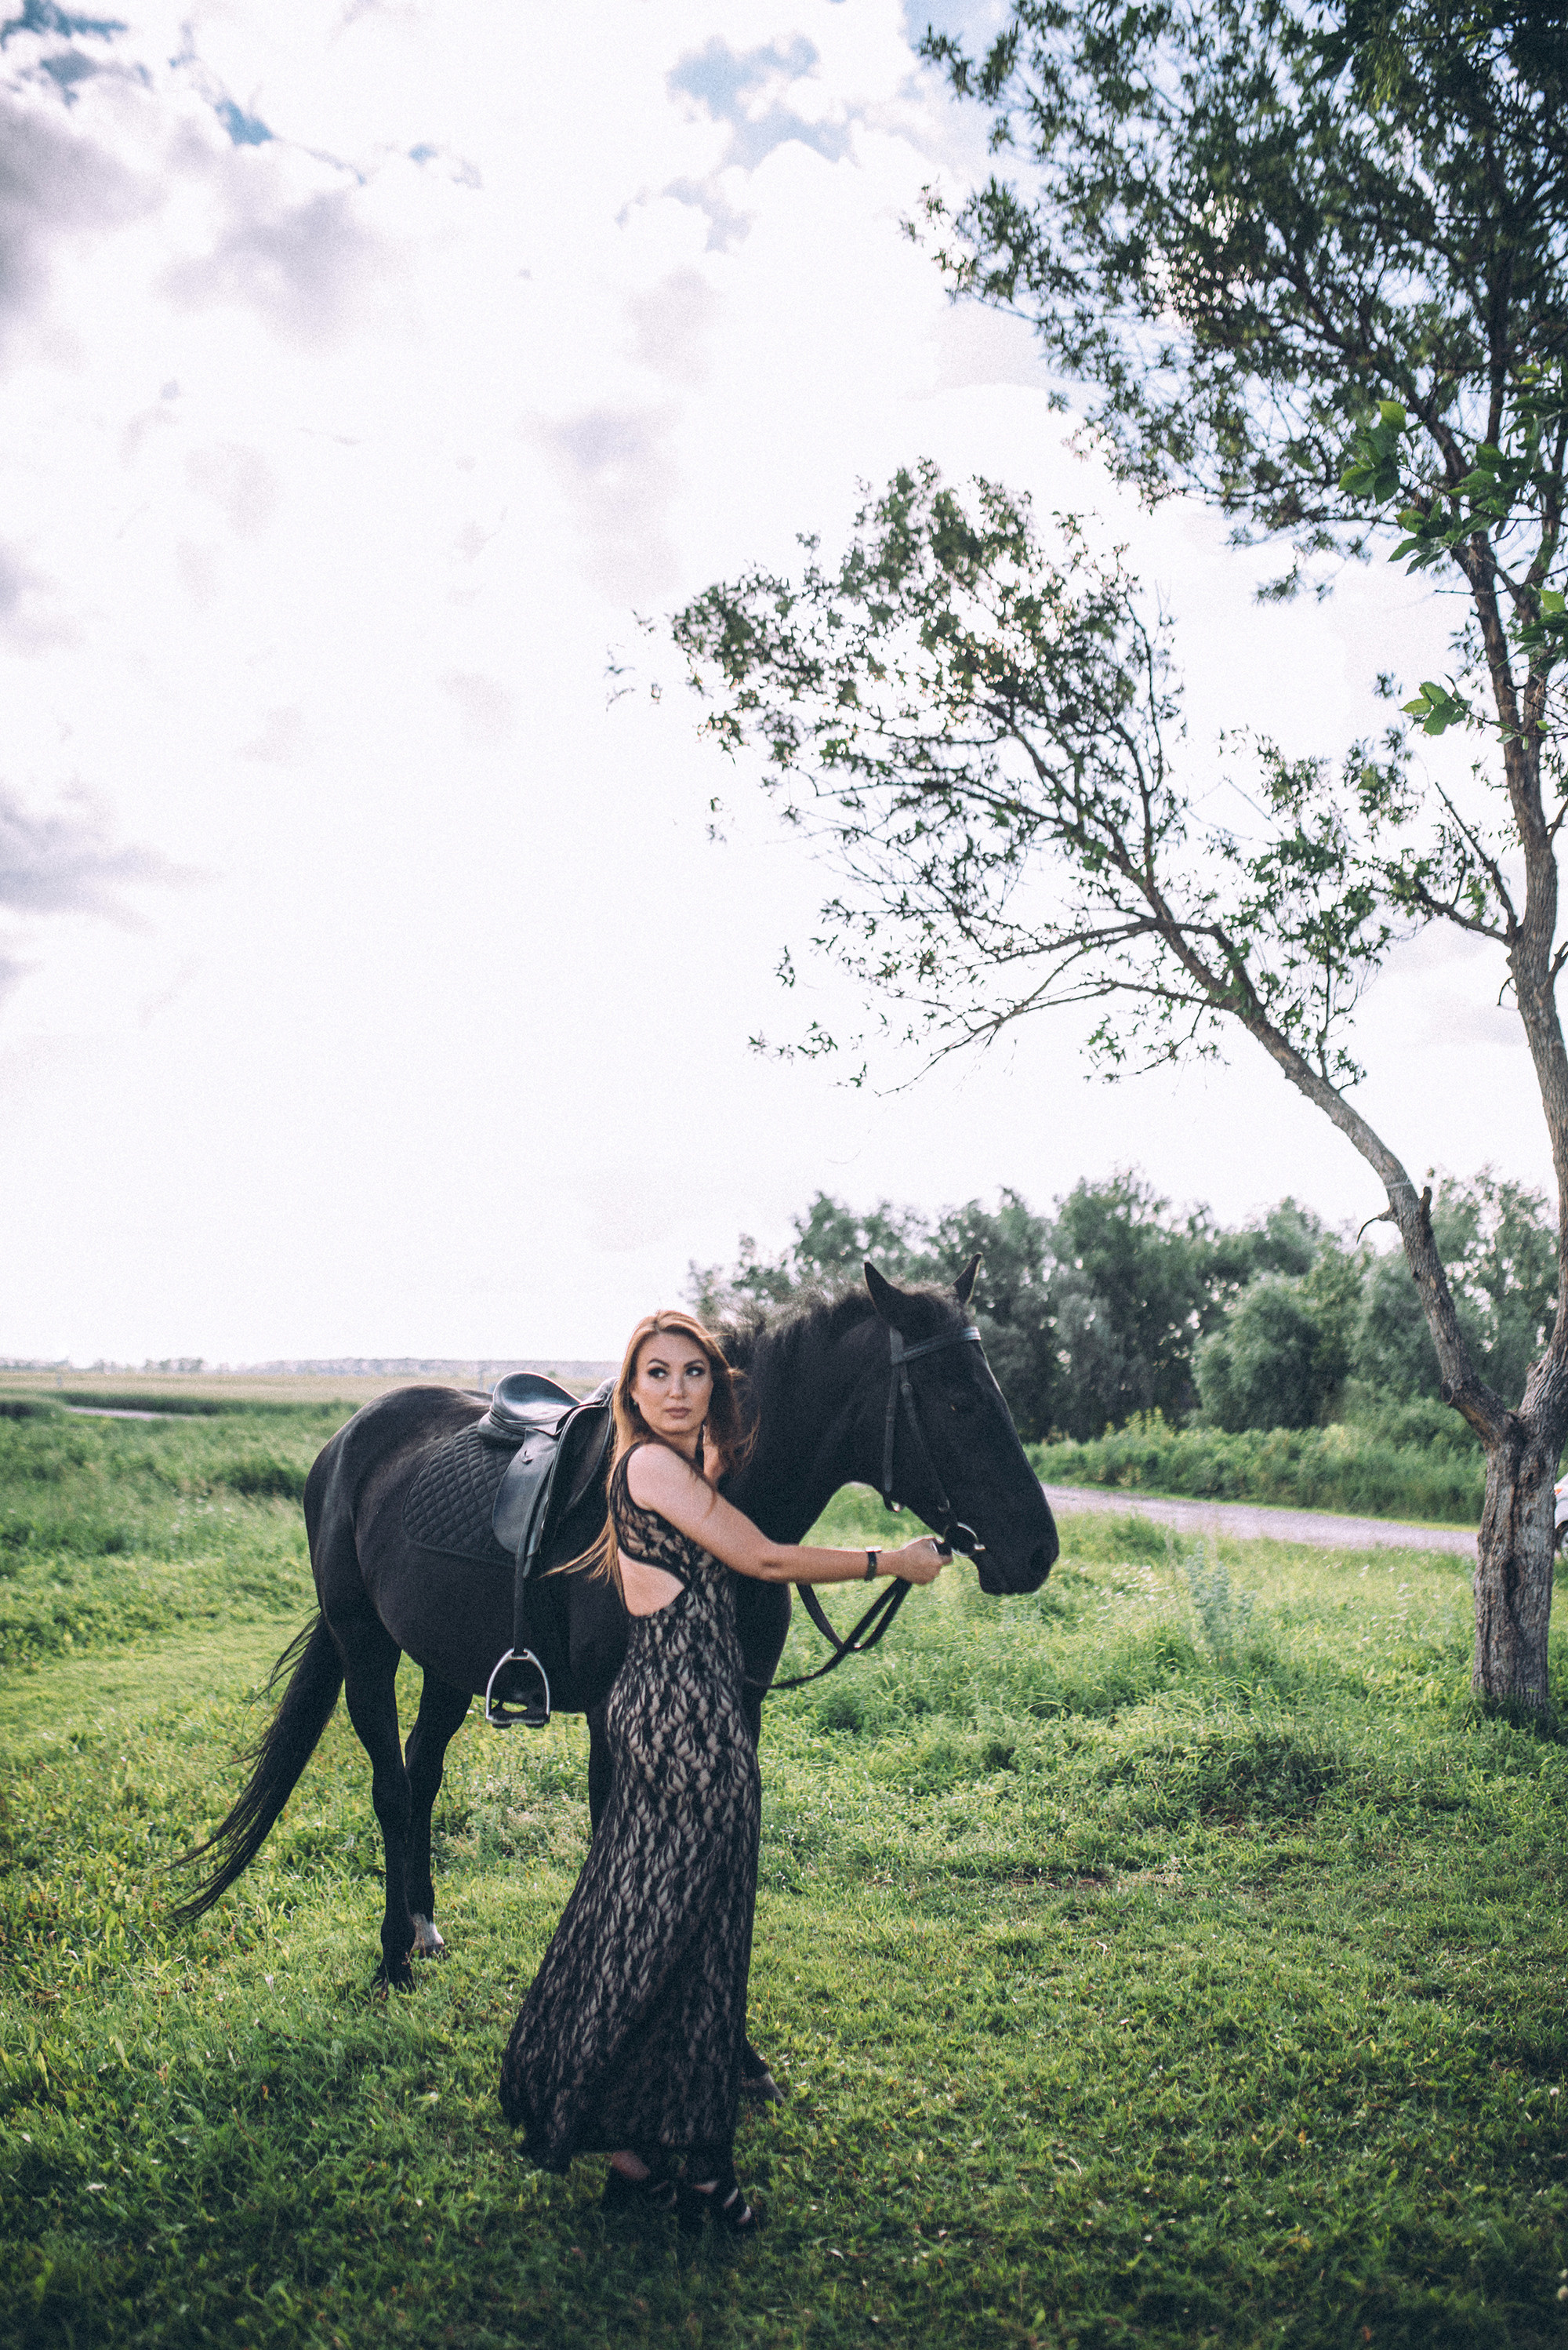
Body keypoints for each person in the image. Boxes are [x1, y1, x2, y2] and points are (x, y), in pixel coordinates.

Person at [497, 1306, 948, 2235]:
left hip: (671, 1713)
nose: (674, 1390)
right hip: (686, 1720)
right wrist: (888, 1561)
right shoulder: (650, 1467)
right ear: (630, 1389)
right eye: (655, 1375)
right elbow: (762, 1556)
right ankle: (690, 2161)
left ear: (716, 1386)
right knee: (688, 1937)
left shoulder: (679, 1468)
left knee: (664, 1922)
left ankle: (642, 2151)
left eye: (692, 1374)